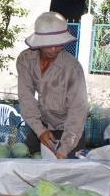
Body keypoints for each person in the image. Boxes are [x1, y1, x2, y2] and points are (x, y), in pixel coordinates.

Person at [16, 12, 88, 159]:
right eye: (49, 44)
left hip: (69, 129)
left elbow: (78, 111)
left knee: (66, 173)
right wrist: (40, 130)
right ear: (39, 42)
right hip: (43, 125)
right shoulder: (25, 60)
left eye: (59, 43)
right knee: (26, 161)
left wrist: (65, 147)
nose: (55, 48)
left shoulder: (73, 68)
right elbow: (26, 98)